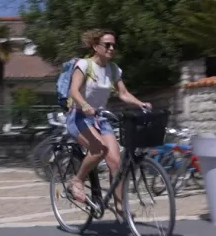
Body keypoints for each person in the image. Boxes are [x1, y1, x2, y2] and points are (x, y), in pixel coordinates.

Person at [65, 29, 151, 205]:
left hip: (100, 118)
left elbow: (123, 93)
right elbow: (74, 90)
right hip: (79, 116)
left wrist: (140, 103)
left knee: (116, 163)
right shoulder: (84, 65)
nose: (111, 48)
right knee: (99, 150)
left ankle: (120, 209)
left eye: (114, 45)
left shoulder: (113, 69)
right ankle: (77, 180)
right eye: (107, 45)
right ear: (96, 47)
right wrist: (85, 105)